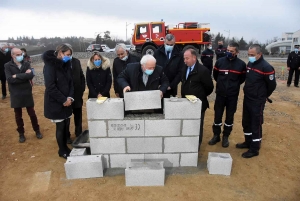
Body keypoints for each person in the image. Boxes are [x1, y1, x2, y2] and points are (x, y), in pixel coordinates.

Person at [236, 44, 276, 158]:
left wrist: (263, 95)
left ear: (259, 54)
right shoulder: (250, 64)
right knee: (246, 121)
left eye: (252, 55)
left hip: (257, 101)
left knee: (255, 123)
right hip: (248, 98)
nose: (250, 56)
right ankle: (248, 142)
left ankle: (254, 148)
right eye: (249, 54)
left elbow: (272, 85)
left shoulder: (266, 67)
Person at [209, 42, 246, 147]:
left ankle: (225, 137)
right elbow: (216, 76)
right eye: (228, 50)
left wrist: (233, 87)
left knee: (229, 117)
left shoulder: (241, 65)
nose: (229, 52)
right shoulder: (220, 62)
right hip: (220, 95)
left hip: (232, 96)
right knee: (217, 116)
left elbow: (242, 79)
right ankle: (216, 136)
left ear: (237, 52)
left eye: (232, 51)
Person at [4, 48, 43, 143]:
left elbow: (30, 76)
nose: (20, 55)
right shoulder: (7, 65)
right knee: (18, 116)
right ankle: (21, 133)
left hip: (26, 92)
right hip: (15, 93)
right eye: (17, 54)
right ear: (12, 55)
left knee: (32, 114)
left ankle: (37, 130)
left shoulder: (26, 63)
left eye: (20, 54)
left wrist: (16, 76)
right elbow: (10, 79)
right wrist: (23, 76)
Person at [43, 44, 74, 159]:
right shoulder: (50, 66)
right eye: (67, 55)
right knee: (60, 126)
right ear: (60, 53)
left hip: (67, 101)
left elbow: (71, 83)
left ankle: (66, 147)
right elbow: (50, 86)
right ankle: (62, 150)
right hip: (56, 102)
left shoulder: (66, 64)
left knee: (66, 124)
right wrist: (63, 100)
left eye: (70, 55)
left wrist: (70, 97)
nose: (69, 57)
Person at [181, 48, 214, 149]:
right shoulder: (184, 68)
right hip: (186, 103)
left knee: (197, 125)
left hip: (198, 104)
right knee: (188, 124)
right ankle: (187, 143)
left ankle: (196, 147)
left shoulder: (203, 71)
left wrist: (199, 96)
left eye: (187, 58)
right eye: (184, 58)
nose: (185, 61)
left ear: (194, 58)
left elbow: (209, 87)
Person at [65, 44, 85, 144]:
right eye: (67, 54)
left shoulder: (76, 61)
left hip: (77, 94)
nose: (68, 55)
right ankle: (67, 136)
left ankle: (79, 133)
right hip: (67, 95)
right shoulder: (61, 63)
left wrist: (82, 89)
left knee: (78, 115)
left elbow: (81, 76)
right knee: (67, 117)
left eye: (70, 53)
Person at [153, 34, 183, 98]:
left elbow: (180, 72)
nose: (169, 46)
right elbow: (153, 69)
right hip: (159, 86)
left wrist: (171, 85)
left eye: (171, 45)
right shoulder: (157, 53)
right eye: (167, 44)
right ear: (164, 43)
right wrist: (158, 84)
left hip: (172, 87)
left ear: (174, 44)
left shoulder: (179, 54)